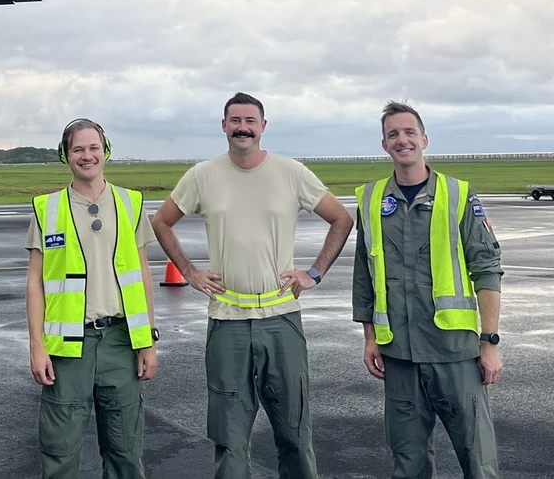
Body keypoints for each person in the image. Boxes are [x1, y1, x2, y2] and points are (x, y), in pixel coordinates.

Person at [152, 92, 354, 479]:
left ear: (263, 126)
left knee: (294, 431)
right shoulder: (202, 176)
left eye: (250, 121)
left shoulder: (291, 173)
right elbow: (161, 222)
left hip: (281, 318)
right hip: (227, 320)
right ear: (224, 126)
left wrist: (314, 273)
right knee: (230, 437)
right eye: (235, 121)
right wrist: (190, 271)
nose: (242, 128)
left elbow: (341, 219)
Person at [353, 101, 504, 479]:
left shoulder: (458, 196)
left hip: (454, 353)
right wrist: (369, 337)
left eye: (408, 132)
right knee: (408, 463)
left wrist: (490, 343)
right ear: (385, 144)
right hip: (399, 354)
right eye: (393, 134)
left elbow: (486, 269)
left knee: (478, 459)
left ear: (424, 139)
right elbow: (363, 276)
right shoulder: (371, 200)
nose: (402, 140)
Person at [26, 118, 158, 479]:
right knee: (60, 451)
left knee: (125, 451)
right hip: (69, 348)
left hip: (120, 341)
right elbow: (35, 283)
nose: (87, 155)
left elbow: (143, 276)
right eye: (78, 149)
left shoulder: (130, 203)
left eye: (93, 147)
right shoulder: (46, 208)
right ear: (65, 156)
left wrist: (147, 341)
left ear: (106, 150)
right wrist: (37, 346)